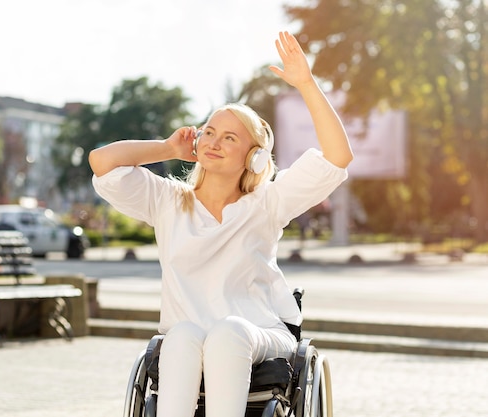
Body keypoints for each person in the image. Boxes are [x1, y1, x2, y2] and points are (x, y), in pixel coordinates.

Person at [89, 31, 353, 417]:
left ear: (255, 157)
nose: (214, 141)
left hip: (258, 333)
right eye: (208, 132)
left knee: (228, 331)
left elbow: (337, 156)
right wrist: (166, 148)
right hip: (188, 336)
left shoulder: (267, 203)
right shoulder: (168, 201)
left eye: (230, 137)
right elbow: (101, 162)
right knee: (179, 336)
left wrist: (305, 84)